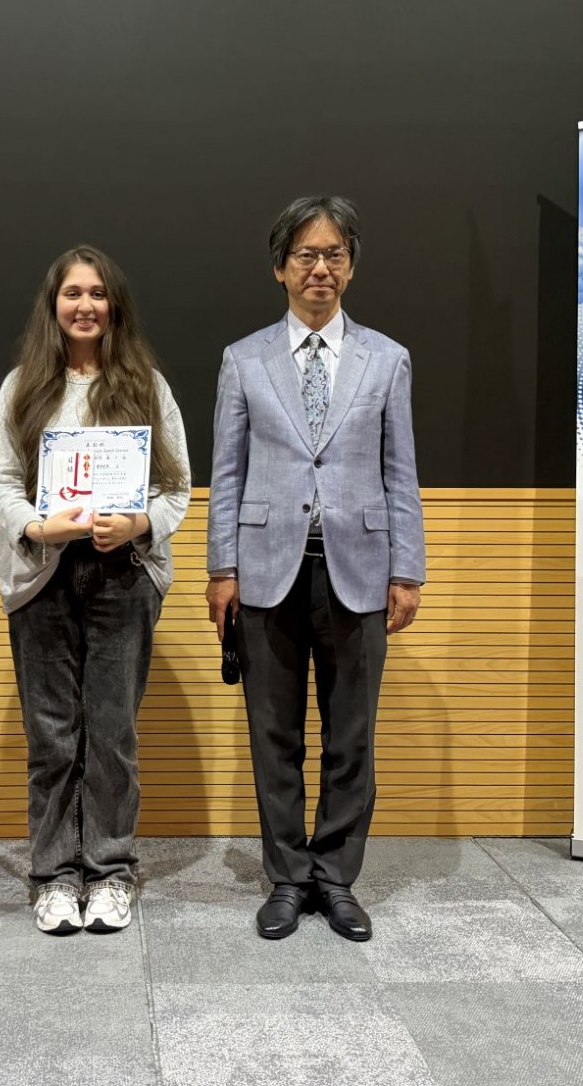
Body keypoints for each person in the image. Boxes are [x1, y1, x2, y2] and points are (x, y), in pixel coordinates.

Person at [206, 196, 425, 942]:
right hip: (267, 569)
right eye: (306, 255)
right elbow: (227, 472)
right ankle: (287, 878)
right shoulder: (243, 359)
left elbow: (401, 472)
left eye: (334, 254)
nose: (320, 267)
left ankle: (335, 879)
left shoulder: (387, 359)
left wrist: (409, 569)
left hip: (360, 569)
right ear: (280, 268)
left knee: (351, 737)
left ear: (351, 267)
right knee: (273, 736)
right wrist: (221, 567)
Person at [0, 245, 190, 935]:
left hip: (121, 577)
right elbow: (0, 483)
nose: (85, 305)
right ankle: (53, 876)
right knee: (52, 737)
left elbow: (178, 489)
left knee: (111, 735)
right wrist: (37, 528)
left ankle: (108, 872)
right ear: (54, 304)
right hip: (42, 577)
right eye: (72, 292)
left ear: (114, 306)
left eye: (98, 293)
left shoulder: (146, 386)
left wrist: (137, 522)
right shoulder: (22, 386)